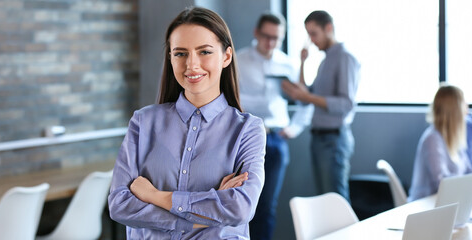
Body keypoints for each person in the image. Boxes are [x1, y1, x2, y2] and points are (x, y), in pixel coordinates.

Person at [108, 7, 266, 239]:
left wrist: (154, 196)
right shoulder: (143, 122)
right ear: (170, 58)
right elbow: (119, 205)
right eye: (180, 53)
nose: (191, 65)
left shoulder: (247, 129)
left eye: (204, 52)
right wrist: (202, 218)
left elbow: (240, 207)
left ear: (226, 56)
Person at [235, 12, 312, 240]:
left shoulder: (287, 65)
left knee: (267, 205)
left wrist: (294, 128)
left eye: (276, 38)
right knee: (241, 204)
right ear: (256, 33)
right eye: (266, 36)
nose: (270, 43)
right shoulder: (238, 61)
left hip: (275, 140)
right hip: (244, 139)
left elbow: (305, 103)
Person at [282, 10, 360, 201]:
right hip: (319, 139)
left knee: (335, 201)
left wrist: (307, 97)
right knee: (326, 201)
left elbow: (346, 103)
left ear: (329, 28)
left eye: (314, 33)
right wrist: (302, 63)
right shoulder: (326, 60)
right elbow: (307, 95)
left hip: (333, 141)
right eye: (308, 34)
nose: (311, 40)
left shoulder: (344, 57)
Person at [408, 85, 472, 201]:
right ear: (455, 110)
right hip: (426, 203)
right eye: (465, 106)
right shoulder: (433, 139)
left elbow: (468, 170)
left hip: (448, 201)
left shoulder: (454, 138)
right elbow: (442, 183)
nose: (467, 111)